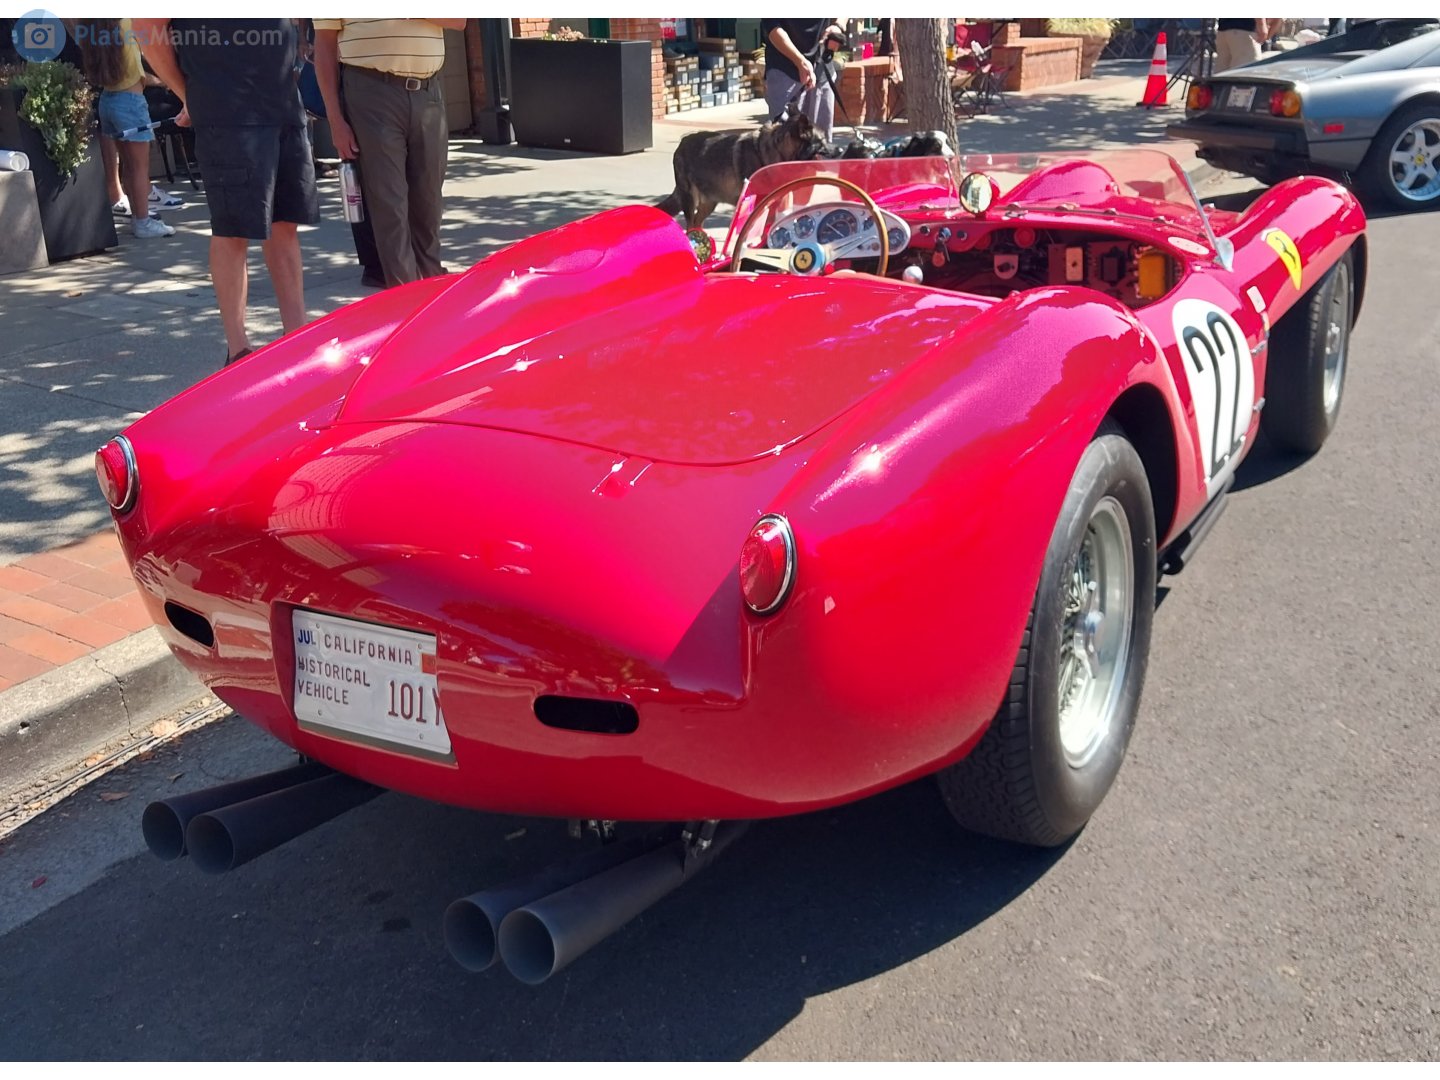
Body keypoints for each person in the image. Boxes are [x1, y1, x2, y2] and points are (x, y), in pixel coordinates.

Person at [135, 17, 318, 366]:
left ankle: (297, 337)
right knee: (234, 228)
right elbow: (146, 29)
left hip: (282, 106)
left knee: (285, 223)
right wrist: (190, 95)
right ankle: (238, 350)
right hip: (228, 114)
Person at [312, 18, 466, 288]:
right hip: (370, 93)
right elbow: (324, 45)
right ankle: (404, 301)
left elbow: (459, 19)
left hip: (428, 92)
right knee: (389, 206)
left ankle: (432, 291)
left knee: (428, 203)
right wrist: (335, 120)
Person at [77, 19, 175, 239]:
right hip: (130, 102)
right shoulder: (126, 24)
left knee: (129, 166)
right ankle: (143, 222)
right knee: (139, 169)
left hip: (107, 100)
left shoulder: (94, 25)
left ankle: (139, 217)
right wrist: (163, 81)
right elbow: (137, 74)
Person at [761, 19, 845, 143]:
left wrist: (838, 26)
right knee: (785, 148)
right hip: (784, 72)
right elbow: (772, 27)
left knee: (821, 147)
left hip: (821, 67)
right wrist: (799, 61)